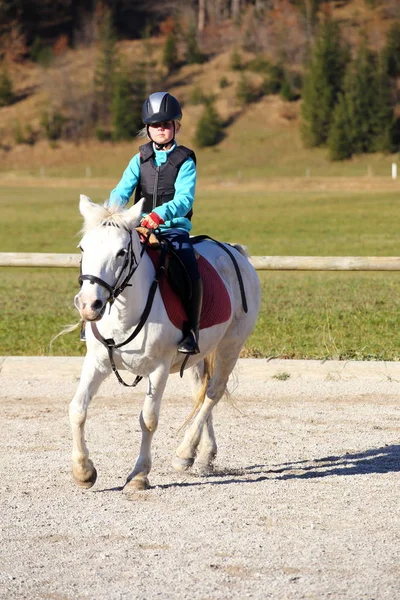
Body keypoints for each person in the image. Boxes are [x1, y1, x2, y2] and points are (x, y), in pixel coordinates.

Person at [108, 91, 202, 355]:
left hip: (172, 229)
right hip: (139, 229)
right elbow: (121, 191)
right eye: (155, 125)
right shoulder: (139, 158)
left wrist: (159, 215)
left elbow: (185, 198)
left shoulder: (185, 160)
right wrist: (109, 213)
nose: (161, 129)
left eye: (166, 124)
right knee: (104, 262)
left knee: (189, 272)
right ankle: (94, 318)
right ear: (147, 128)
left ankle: (189, 331)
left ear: (176, 127)